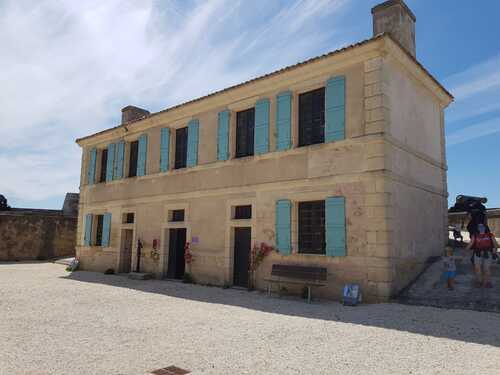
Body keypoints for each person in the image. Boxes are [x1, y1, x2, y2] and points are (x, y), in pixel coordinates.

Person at [466, 223, 498, 288]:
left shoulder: (490, 235)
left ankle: (488, 282)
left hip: (487, 253)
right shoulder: (475, 235)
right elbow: (471, 243)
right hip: (478, 253)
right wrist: (465, 250)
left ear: (485, 227)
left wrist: (495, 249)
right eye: (479, 227)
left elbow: (495, 243)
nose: (481, 228)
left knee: (487, 269)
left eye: (482, 226)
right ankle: (479, 282)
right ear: (477, 228)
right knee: (477, 269)